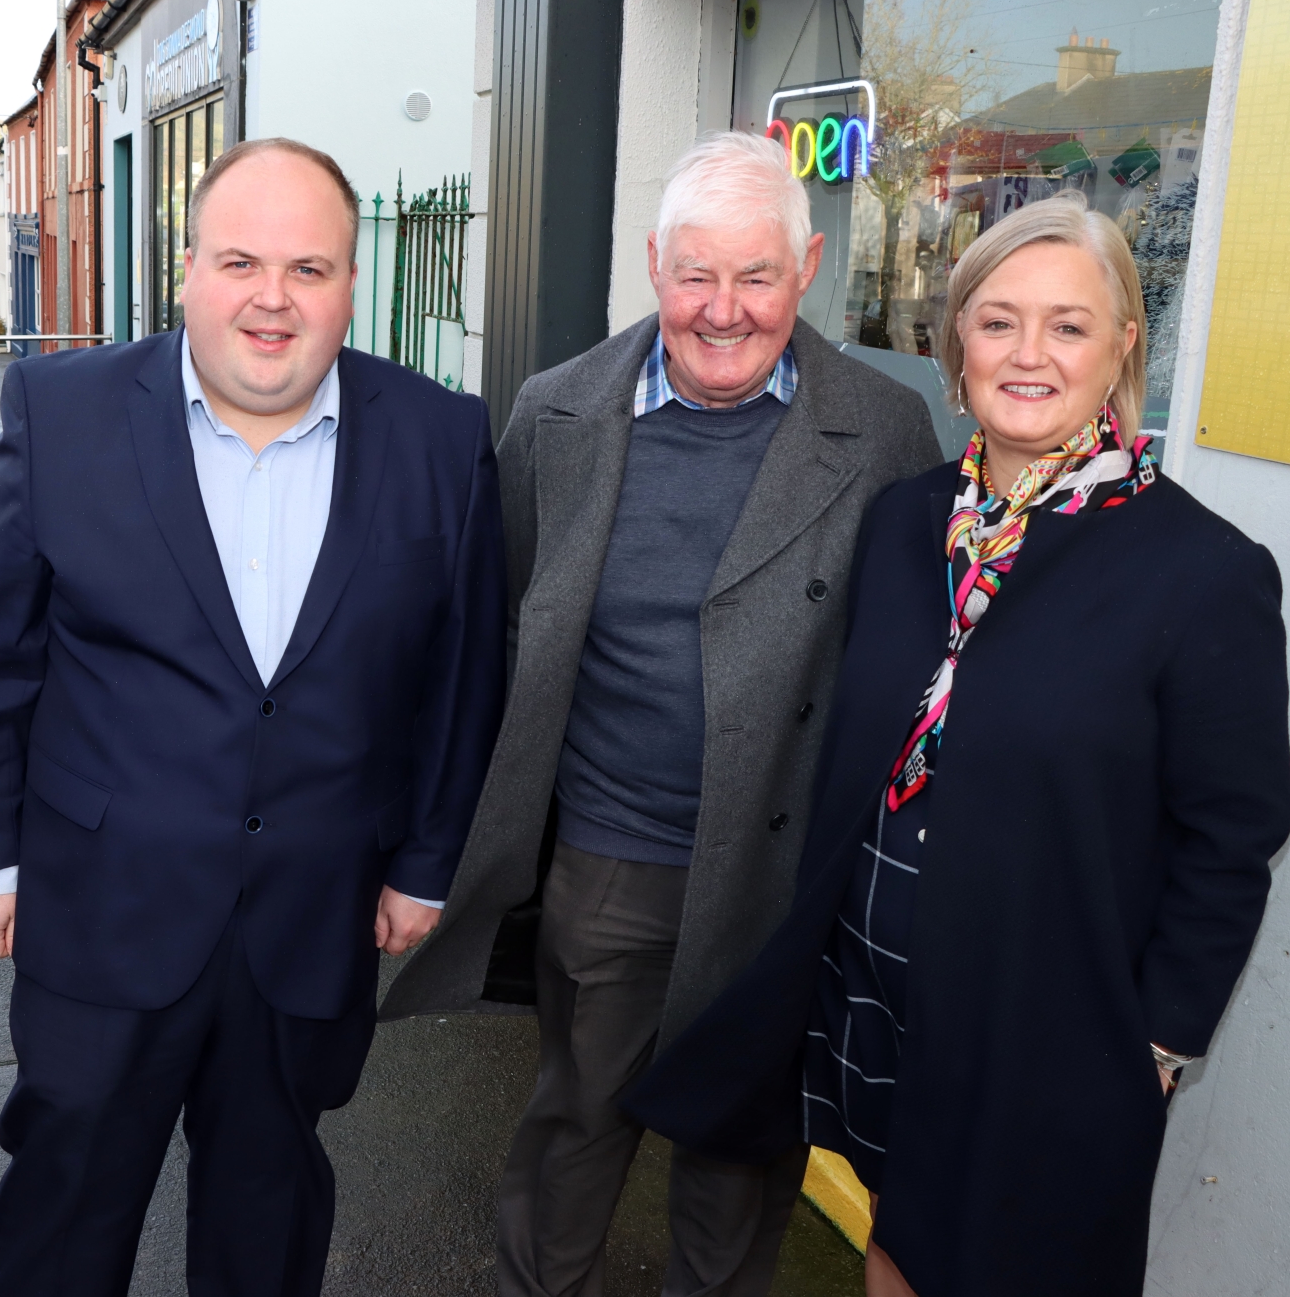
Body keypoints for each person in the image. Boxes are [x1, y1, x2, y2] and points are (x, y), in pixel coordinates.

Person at [624, 192, 1290, 1297]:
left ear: (1124, 345)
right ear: (957, 344)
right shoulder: (906, 519)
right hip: (876, 989)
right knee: (899, 1244)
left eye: (1068, 326)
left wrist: (1157, 1047)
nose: (1029, 354)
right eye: (998, 321)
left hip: (1045, 1027)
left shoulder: (1204, 571)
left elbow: (1234, 833)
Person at [381, 131, 945, 1297]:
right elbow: (497, 631)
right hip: (611, 859)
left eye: (757, 276)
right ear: (654, 264)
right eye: (697, 274)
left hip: (781, 875)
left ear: (808, 269)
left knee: (740, 1161)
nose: (723, 309)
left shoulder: (886, 428)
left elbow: (908, 655)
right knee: (575, 1127)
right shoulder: (557, 412)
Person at [0, 137, 506, 1297]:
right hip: (100, 903)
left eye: (309, 268)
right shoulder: (61, 411)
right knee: (66, 1207)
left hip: (314, 910)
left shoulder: (442, 437)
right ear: (189, 269)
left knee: (268, 1210)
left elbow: (462, 673)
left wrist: (427, 862)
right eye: (241, 261)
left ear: (351, 283)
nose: (272, 297)